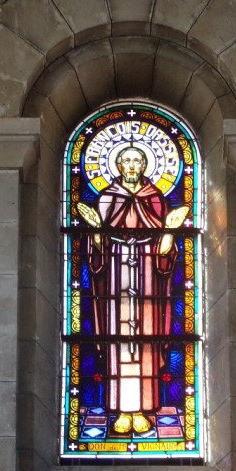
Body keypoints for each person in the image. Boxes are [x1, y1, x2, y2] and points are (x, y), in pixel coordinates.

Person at [77, 145, 188, 434]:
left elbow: (167, 251)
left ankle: (142, 409)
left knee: (146, 340)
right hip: (115, 272)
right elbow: (96, 249)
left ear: (144, 165)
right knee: (119, 341)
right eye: (126, 160)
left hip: (149, 271)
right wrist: (97, 233)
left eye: (137, 161)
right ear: (117, 164)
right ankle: (122, 411)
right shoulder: (108, 197)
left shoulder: (155, 198)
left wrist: (167, 234)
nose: (131, 165)